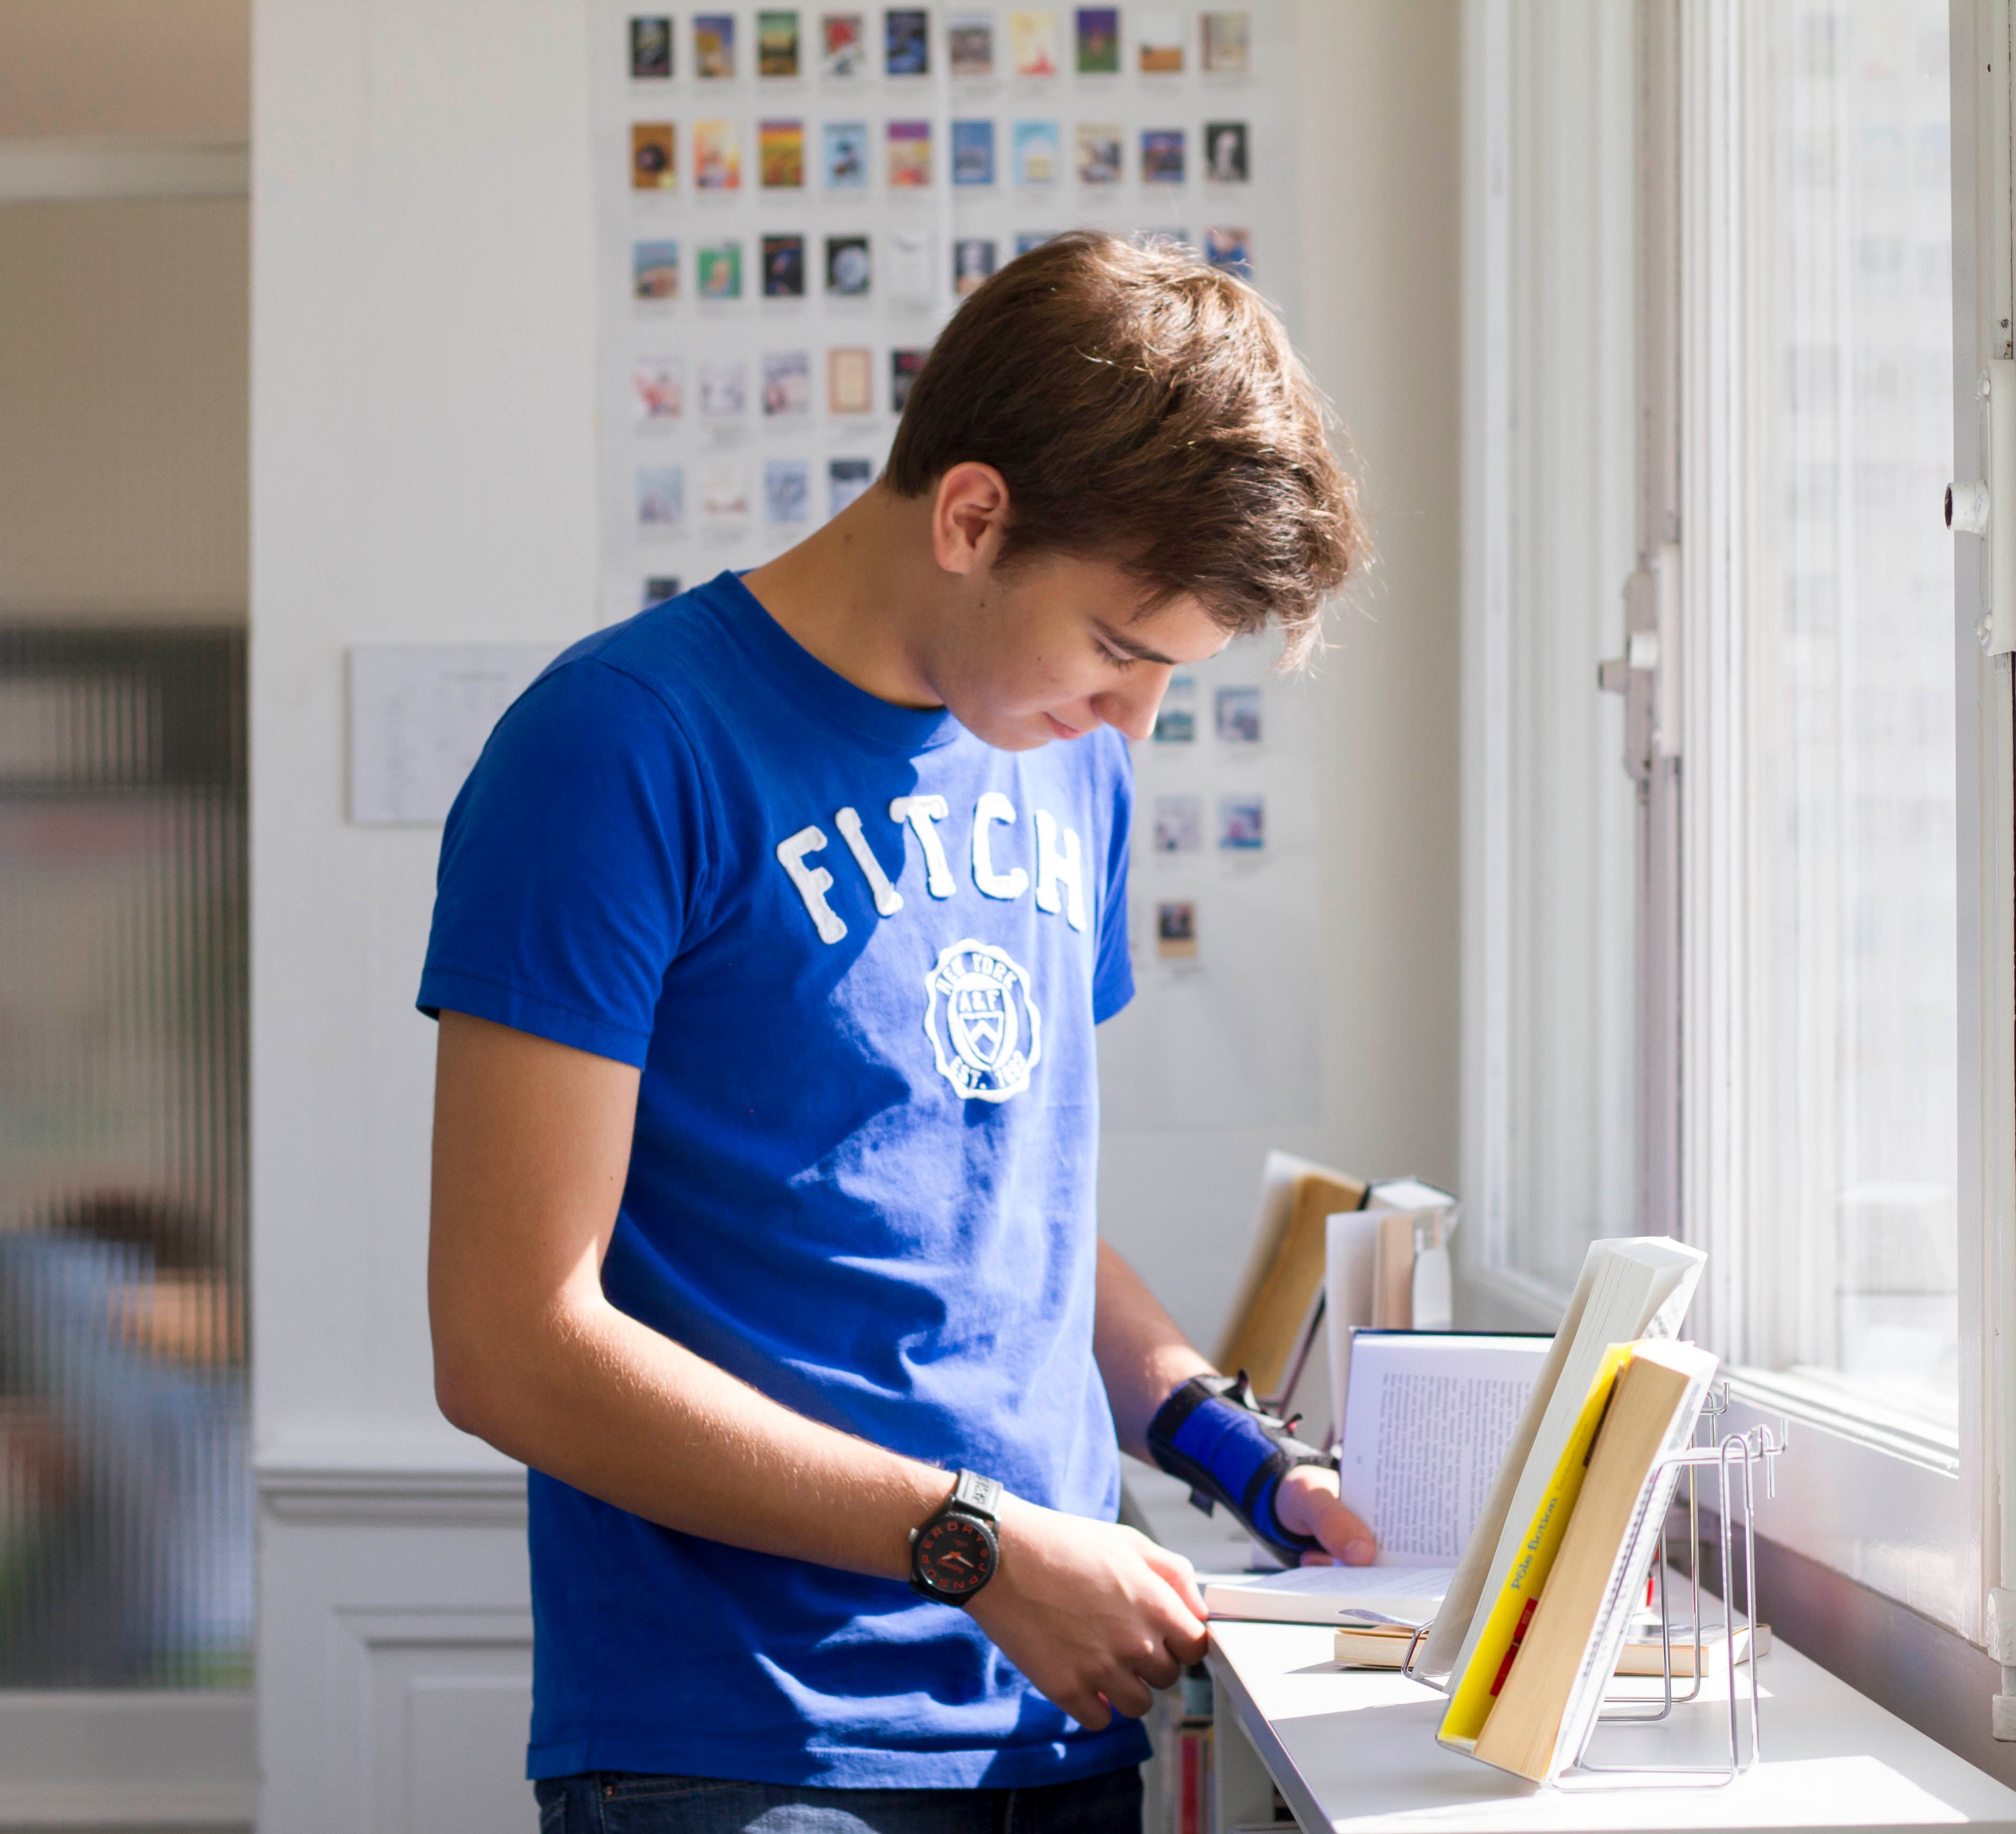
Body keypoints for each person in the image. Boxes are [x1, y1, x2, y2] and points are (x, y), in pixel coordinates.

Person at [422, 231, 1372, 1834]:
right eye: (1123, 652)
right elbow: (513, 1344)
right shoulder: (617, 749)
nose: (1138, 720)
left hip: (1060, 1721)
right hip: (741, 1747)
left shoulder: (1073, 765)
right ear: (973, 514)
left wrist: (1238, 1454)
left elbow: (1015, 1217)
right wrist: (979, 1546)